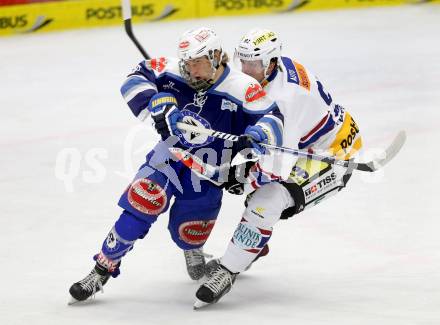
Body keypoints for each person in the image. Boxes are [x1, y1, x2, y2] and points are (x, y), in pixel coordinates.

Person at [68, 26, 284, 303]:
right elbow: (135, 77)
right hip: (169, 157)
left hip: (209, 171)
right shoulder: (172, 71)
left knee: (188, 233)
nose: (192, 72)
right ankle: (101, 269)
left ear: (217, 56)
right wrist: (158, 100)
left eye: (198, 63)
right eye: (188, 63)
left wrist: (254, 137)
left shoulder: (243, 88)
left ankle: (193, 248)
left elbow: (273, 119)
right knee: (140, 204)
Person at [194, 28, 363, 309]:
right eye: (242, 61)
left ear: (272, 63)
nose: (246, 70)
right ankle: (252, 245)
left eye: (254, 65)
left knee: (266, 200)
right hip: (306, 142)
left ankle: (228, 269)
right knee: (259, 198)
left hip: (333, 154)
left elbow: (275, 167)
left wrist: (245, 179)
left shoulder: (288, 97)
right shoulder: (270, 73)